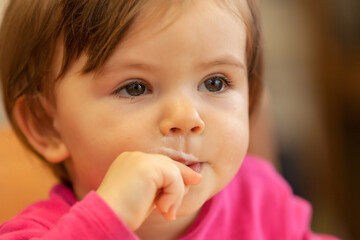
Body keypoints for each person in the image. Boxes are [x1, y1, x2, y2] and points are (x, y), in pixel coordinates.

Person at [0, 0, 339, 239]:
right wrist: (108, 219)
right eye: (135, 88)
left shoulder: (260, 198)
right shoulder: (37, 233)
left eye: (214, 83)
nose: (187, 118)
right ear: (46, 124)